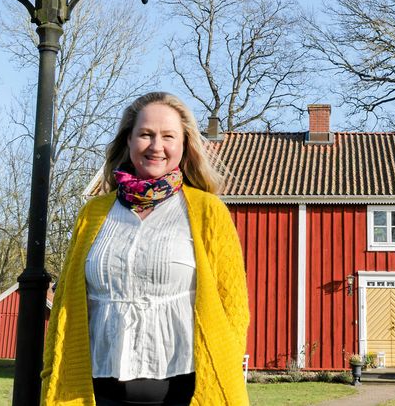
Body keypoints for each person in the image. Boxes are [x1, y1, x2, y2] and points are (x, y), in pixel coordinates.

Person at [41, 91, 250, 406]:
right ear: (128, 140)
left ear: (184, 144)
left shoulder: (208, 211)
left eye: (168, 136)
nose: (156, 146)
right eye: (146, 134)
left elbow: (233, 308)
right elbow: (65, 305)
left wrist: (227, 371)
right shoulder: (93, 214)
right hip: (95, 388)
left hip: (184, 389)